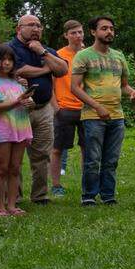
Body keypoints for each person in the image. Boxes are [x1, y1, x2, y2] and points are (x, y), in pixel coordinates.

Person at [70, 16, 135, 207]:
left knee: (111, 160)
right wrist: (97, 106)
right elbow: (75, 87)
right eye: (104, 28)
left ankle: (108, 195)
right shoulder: (83, 56)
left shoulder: (118, 56)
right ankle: (89, 196)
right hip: (93, 116)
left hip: (117, 116)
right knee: (92, 159)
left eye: (111, 28)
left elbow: (124, 85)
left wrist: (132, 92)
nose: (109, 32)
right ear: (93, 32)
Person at [8, 14, 67, 205]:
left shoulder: (45, 50)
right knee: (13, 157)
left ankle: (40, 195)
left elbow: (62, 70)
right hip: (17, 109)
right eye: (31, 25)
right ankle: (14, 197)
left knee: (41, 154)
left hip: (43, 109)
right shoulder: (9, 49)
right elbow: (18, 70)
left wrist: (43, 53)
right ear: (19, 28)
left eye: (39, 25)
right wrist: (46, 69)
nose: (36, 29)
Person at [0, 43, 35, 216]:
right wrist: (18, 101)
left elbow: (25, 105)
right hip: (2, 130)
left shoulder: (18, 83)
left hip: (21, 128)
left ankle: (12, 205)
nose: (6, 63)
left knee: (15, 168)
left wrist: (29, 103)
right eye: (3, 59)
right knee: (2, 168)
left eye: (10, 60)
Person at [50, 20, 85, 197]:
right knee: (57, 148)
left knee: (87, 148)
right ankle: (56, 185)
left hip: (87, 108)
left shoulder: (89, 54)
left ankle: (87, 182)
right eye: (73, 33)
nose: (77, 36)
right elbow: (51, 83)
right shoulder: (58, 55)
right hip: (65, 108)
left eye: (80, 32)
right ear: (66, 35)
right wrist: (56, 107)